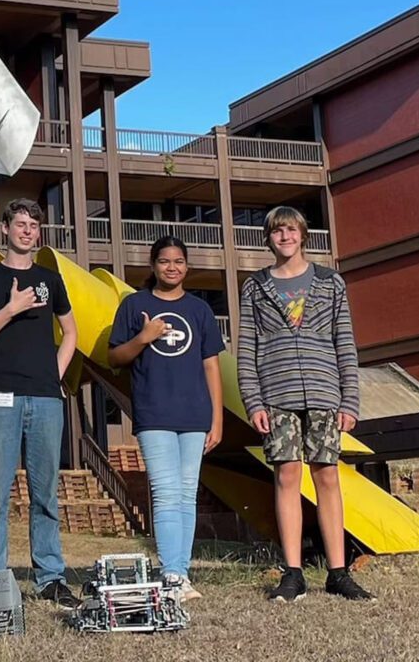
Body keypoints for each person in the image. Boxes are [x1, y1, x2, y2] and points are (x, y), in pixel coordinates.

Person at [238, 206, 374, 602]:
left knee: (327, 475)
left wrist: (349, 400)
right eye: (277, 231)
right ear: (268, 238)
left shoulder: (330, 283)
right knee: (286, 475)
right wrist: (253, 401)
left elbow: (344, 343)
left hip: (324, 393)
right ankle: (293, 572)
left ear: (303, 235)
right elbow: (247, 349)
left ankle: (338, 572)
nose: (285, 237)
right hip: (276, 396)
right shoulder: (255, 287)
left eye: (291, 230)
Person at [0, 198, 79, 607]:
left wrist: (55, 373)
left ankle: (50, 577)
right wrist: (11, 309)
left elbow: (71, 333)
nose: (27, 231)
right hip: (0, 396)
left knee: (45, 494)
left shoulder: (51, 278)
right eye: (20, 224)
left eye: (33, 225)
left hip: (46, 398)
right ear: (5, 229)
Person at [108, 236, 224, 600]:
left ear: (186, 266)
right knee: (166, 491)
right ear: (153, 265)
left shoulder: (199, 310)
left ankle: (180, 574)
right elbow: (115, 358)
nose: (171, 267)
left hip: (195, 414)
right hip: (154, 412)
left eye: (178, 261)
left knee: (187, 493)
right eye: (164, 261)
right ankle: (171, 574)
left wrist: (217, 419)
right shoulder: (135, 304)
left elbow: (212, 366)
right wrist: (144, 337)